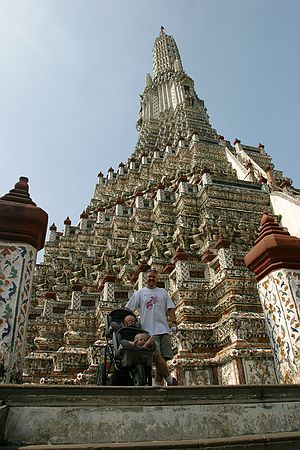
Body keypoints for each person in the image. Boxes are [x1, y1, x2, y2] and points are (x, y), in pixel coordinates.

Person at [125, 268, 178, 386]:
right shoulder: (140, 293)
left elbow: (170, 308)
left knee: (164, 358)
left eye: (153, 277)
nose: (151, 279)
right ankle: (170, 380)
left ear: (157, 278)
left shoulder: (163, 292)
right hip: (148, 331)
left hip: (164, 329)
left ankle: (157, 384)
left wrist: (174, 322)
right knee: (156, 355)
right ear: (146, 278)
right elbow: (128, 309)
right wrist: (130, 322)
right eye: (149, 277)